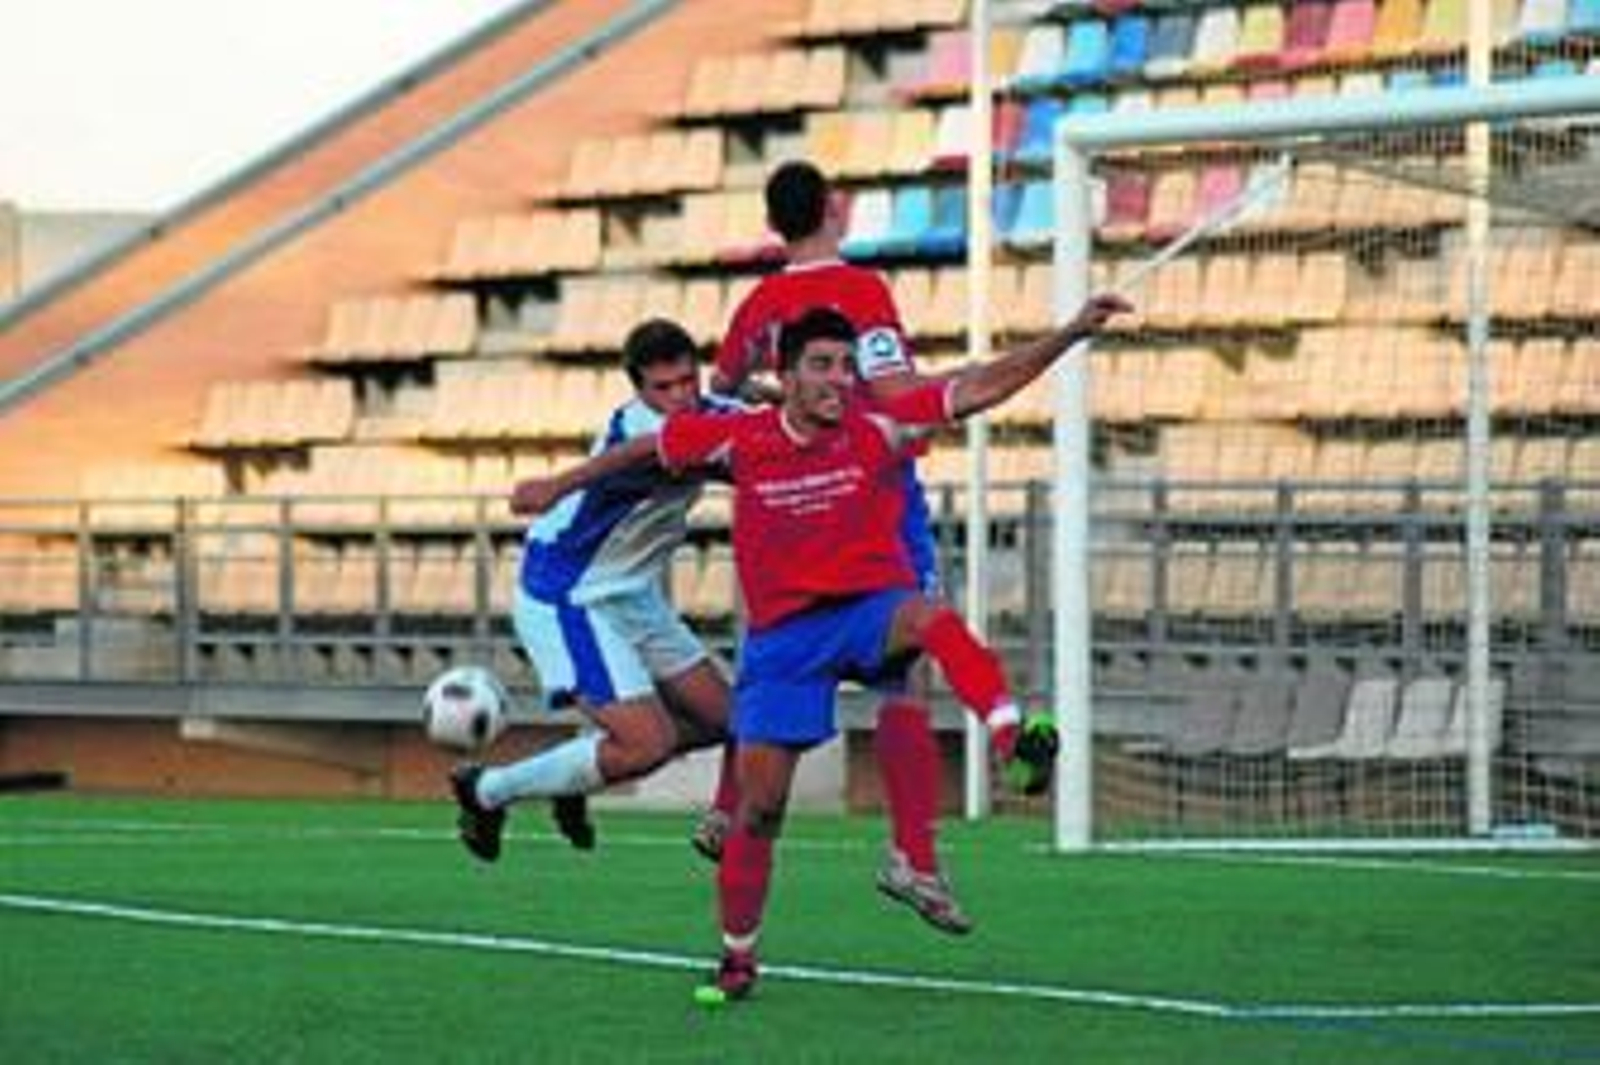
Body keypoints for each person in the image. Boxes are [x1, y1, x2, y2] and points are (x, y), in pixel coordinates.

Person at [516, 296, 1130, 1002]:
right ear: (787, 376)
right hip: (783, 645)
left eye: (846, 365)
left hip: (865, 614)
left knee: (931, 619)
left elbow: (979, 386)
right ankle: (737, 957)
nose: (840, 378)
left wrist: (1069, 333)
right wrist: (558, 483)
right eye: (823, 365)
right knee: (759, 811)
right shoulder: (739, 437)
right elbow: (643, 451)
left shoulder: (877, 424)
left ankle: (1009, 737)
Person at [712, 159, 969, 934]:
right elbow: (893, 394)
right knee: (906, 670)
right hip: (871, 495)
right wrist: (954, 397)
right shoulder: (861, 292)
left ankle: (727, 806)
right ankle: (912, 855)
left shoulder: (758, 305)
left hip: (789, 508)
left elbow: (724, 388)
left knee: (776, 647)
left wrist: (783, 404)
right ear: (832, 209)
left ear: (773, 223)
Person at [448, 318, 740, 865]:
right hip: (569, 594)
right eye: (663, 387)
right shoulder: (639, 431)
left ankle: (578, 772)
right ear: (638, 390)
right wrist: (558, 483)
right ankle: (485, 790)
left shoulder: (712, 413)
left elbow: (757, 432)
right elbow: (660, 453)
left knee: (731, 722)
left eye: (686, 381)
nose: (679, 396)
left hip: (631, 593)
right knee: (647, 745)